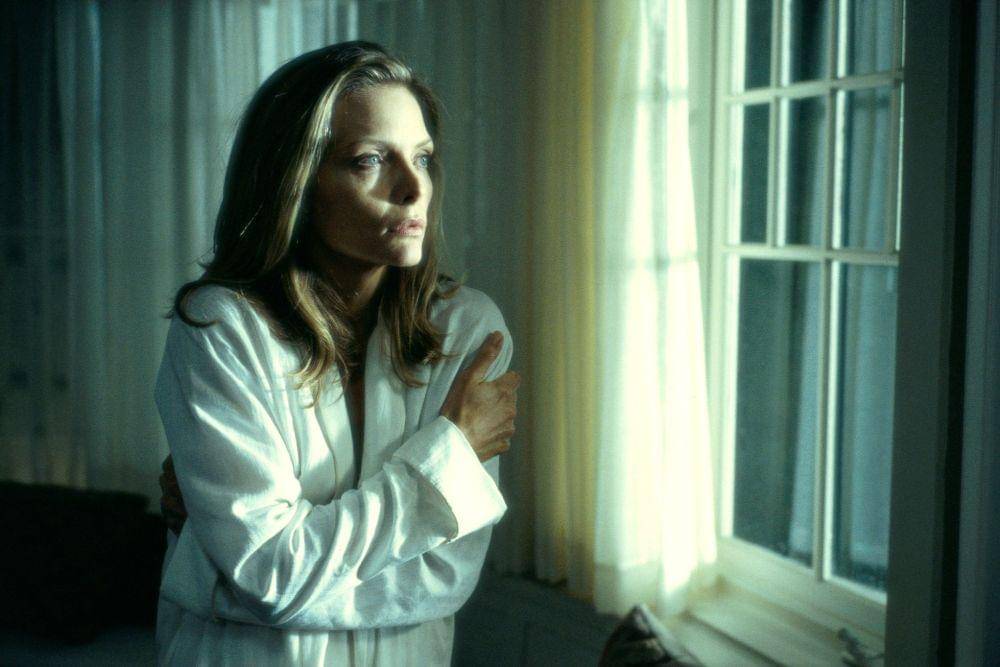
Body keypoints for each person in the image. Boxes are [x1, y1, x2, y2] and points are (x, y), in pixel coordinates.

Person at [153, 41, 519, 666]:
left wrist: (215, 574)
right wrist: (448, 460)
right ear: (296, 181)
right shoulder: (220, 326)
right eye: (369, 160)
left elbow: (445, 576)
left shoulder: (469, 331)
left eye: (423, 158)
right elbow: (270, 573)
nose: (413, 189)